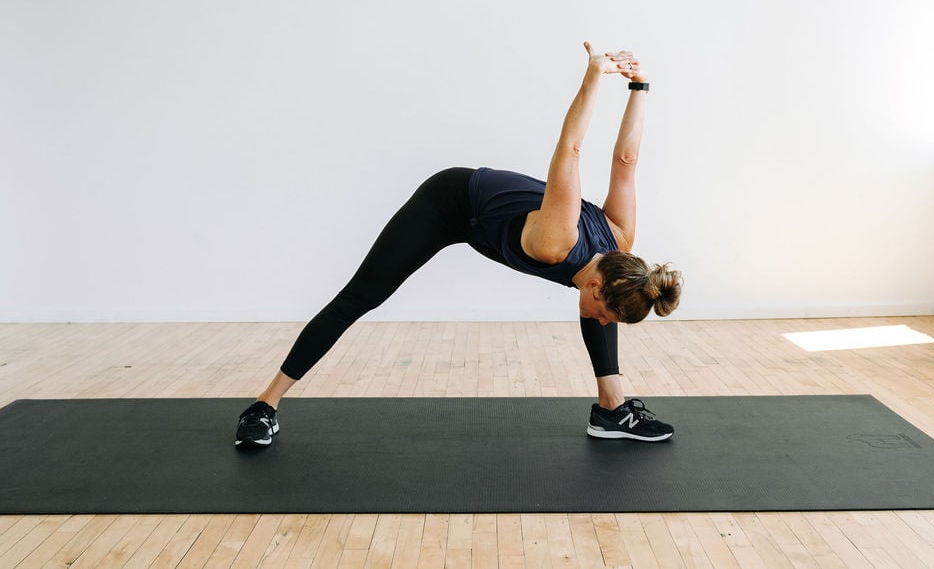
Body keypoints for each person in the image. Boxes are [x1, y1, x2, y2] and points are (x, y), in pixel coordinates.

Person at [235, 42, 683, 448]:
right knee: (362, 296)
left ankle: (611, 410)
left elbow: (627, 160)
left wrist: (641, 85)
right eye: (606, 311)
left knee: (599, 317)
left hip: (493, 222)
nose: (604, 318)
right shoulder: (557, 242)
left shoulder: (620, 238)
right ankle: (265, 405)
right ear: (595, 287)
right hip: (450, 202)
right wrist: (593, 75)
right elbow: (570, 149)